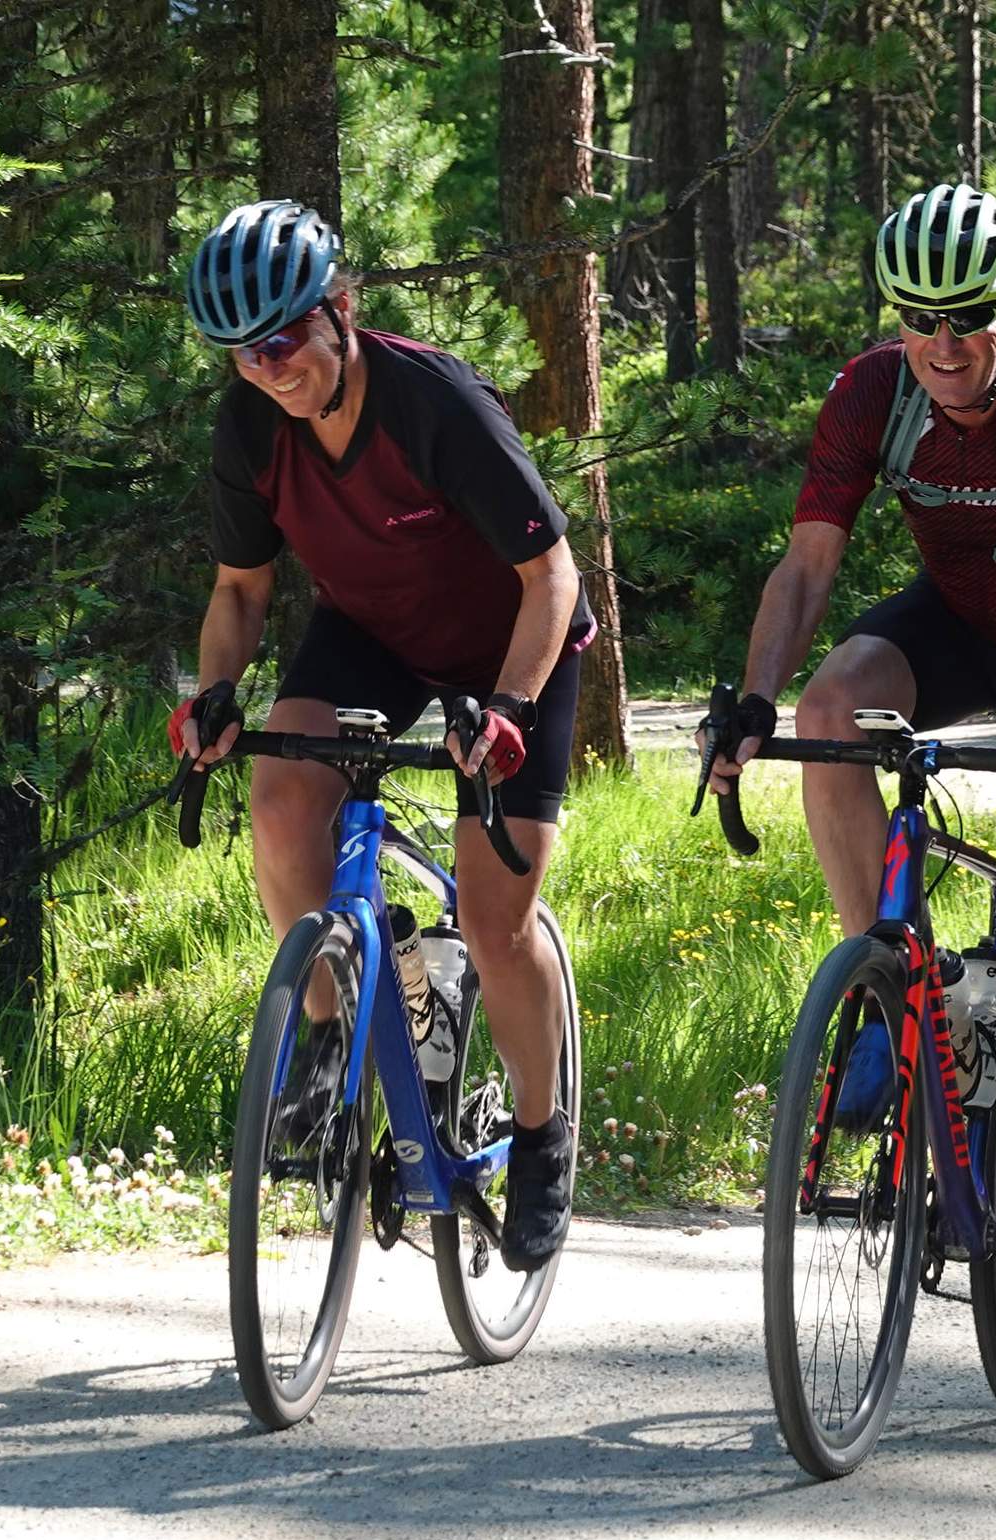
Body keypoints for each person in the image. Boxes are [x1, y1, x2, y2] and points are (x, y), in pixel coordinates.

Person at [704, 184, 996, 1345]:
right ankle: (882, 986)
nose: (944, 347)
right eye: (920, 321)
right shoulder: (872, 393)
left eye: (967, 320)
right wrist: (754, 700)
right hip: (961, 615)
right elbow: (808, 569)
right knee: (830, 703)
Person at [172, 199, 589, 1271]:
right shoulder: (252, 425)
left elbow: (552, 575)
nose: (266, 369)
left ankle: (543, 1135)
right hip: (375, 637)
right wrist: (215, 691)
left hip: (513, 644)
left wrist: (506, 708)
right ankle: (325, 1030)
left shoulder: (432, 401)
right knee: (279, 799)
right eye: (240, 354)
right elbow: (239, 587)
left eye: (281, 342)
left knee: (497, 916)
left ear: (340, 310)